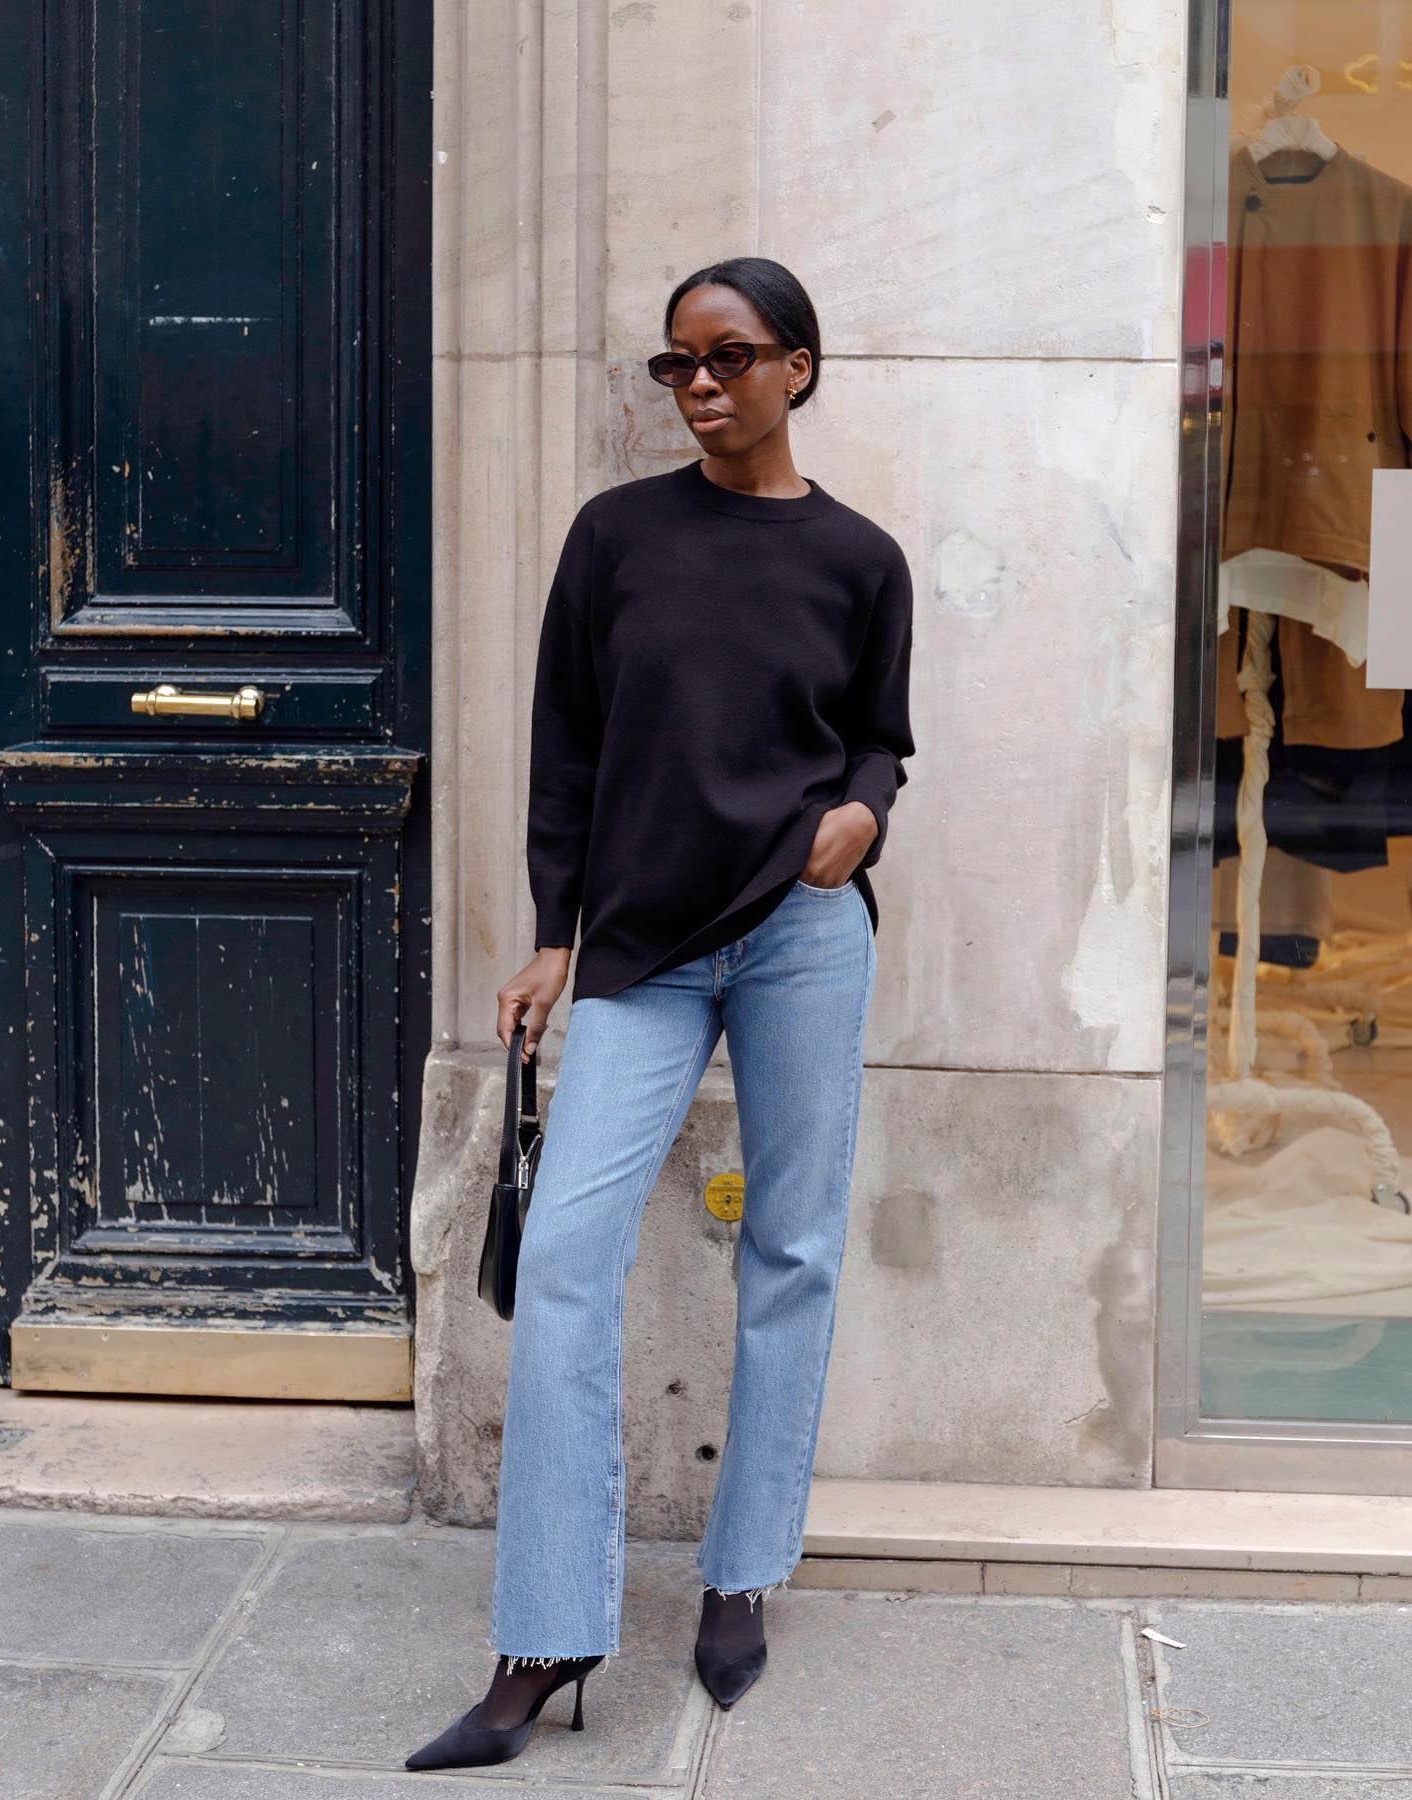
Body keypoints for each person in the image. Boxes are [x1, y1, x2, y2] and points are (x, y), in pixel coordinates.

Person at [405, 255, 915, 1774]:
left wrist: (862, 818)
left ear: (800, 368)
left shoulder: (861, 558)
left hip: (803, 937)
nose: (699, 385)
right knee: (563, 1258)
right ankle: (547, 1630)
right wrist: (551, 934)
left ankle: (742, 1570)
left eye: (731, 358)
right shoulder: (617, 537)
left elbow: (884, 739)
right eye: (675, 365)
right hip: (640, 947)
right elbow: (565, 744)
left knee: (794, 1247)